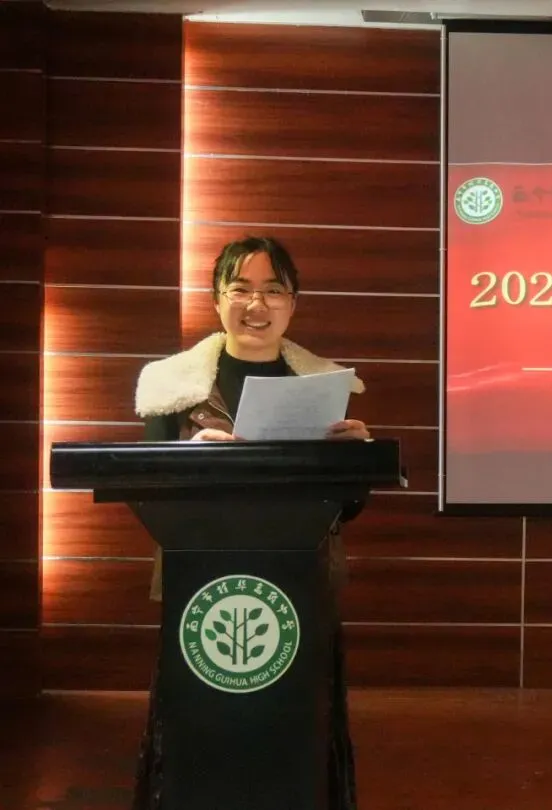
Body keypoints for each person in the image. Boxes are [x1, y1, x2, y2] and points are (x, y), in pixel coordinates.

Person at [128, 236, 369, 810]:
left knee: (298, 734)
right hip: (199, 586)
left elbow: (347, 509)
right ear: (216, 299)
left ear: (293, 304)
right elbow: (144, 486)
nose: (256, 305)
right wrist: (190, 459)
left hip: (303, 587)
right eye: (240, 289)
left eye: (273, 291)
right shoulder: (170, 387)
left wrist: (355, 462)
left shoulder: (322, 387)